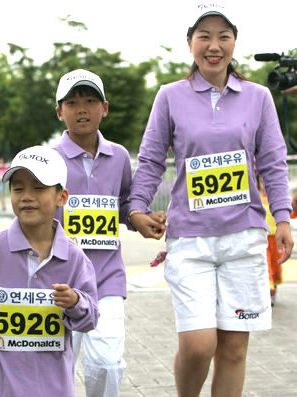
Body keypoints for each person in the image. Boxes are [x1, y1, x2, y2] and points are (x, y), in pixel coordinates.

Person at [128, 2, 294, 396]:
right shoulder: (170, 96)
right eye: (204, 36)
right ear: (190, 43)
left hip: (246, 238)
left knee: (234, 349)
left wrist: (283, 220)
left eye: (224, 36)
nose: (214, 45)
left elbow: (272, 160)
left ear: (235, 42)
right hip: (191, 241)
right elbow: (151, 159)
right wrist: (135, 208)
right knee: (199, 344)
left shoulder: (258, 98)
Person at [52, 68, 166, 396]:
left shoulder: (118, 157)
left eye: (90, 100)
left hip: (106, 278)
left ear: (105, 107)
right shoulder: (49, 160)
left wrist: (141, 219)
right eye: (72, 103)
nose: (82, 109)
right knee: (56, 365)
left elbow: (125, 206)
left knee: (107, 364)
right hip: (58, 280)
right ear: (59, 111)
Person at [0, 145, 99, 397]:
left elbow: (91, 317)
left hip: (48, 383)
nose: (26, 196)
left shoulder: (76, 259)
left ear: (61, 197)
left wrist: (75, 302)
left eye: (39, 187)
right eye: (18, 188)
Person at [257, 175, 284, 305]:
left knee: (276, 266)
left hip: (276, 240)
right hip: (263, 240)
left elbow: (288, 214)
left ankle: (274, 289)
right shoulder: (257, 199)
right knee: (267, 266)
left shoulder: (277, 200)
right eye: (262, 181)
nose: (265, 184)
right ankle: (268, 293)